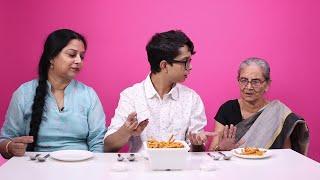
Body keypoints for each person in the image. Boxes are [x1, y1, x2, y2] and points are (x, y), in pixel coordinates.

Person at [0, 29, 107, 158]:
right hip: (37, 166)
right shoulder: (24, 93)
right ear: (51, 57)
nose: (79, 60)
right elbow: (5, 139)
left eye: (82, 56)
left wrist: (93, 168)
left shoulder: (89, 95)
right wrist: (10, 147)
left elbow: (98, 142)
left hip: (81, 168)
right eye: (72, 54)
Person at [104, 30, 215, 152]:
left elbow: (197, 154)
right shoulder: (131, 96)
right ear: (164, 65)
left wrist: (197, 144)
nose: (190, 67)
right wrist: (126, 131)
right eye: (185, 61)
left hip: (180, 168)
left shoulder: (192, 99)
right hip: (141, 169)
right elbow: (108, 147)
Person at [209, 57, 309, 154]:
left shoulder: (279, 114)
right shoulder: (227, 109)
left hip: (269, 169)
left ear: (267, 85)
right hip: (232, 168)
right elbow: (211, 153)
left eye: (255, 82)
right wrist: (221, 148)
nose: (248, 87)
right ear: (238, 81)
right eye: (243, 80)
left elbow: (286, 155)